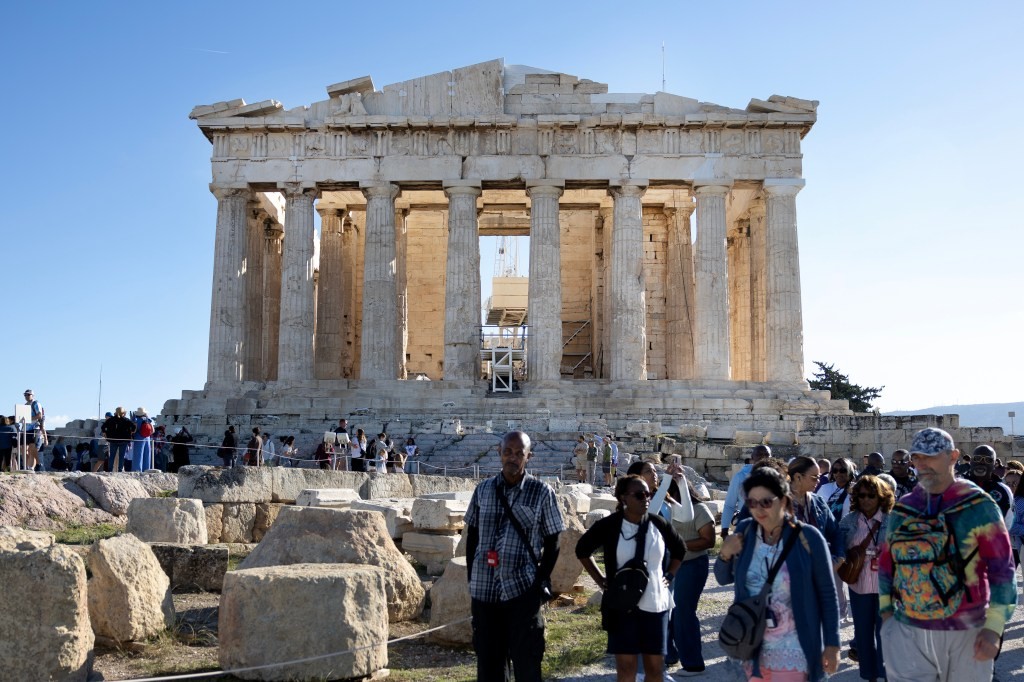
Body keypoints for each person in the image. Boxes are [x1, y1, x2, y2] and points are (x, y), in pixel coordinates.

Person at [878, 427, 1017, 682]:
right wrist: (887, 618)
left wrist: (994, 628)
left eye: (931, 456)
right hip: (909, 629)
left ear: (953, 457)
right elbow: (887, 564)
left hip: (965, 631)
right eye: (917, 457)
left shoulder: (979, 505)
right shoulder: (904, 508)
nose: (922, 464)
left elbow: (1003, 570)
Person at [716, 467, 841, 682]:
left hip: (794, 651)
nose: (758, 509)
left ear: (783, 501)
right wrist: (725, 554)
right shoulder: (745, 531)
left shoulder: (808, 538)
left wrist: (832, 644)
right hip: (751, 649)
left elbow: (828, 595)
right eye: (751, 503)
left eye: (766, 502)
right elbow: (722, 578)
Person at [464, 431, 564, 682]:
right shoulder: (483, 490)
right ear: (499, 452)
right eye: (508, 451)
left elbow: (554, 541)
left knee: (527, 666)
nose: (513, 457)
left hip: (522, 591)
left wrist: (540, 580)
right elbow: (472, 537)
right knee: (489, 667)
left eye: (520, 453)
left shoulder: (542, 492)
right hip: (484, 592)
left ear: (528, 457)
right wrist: (471, 577)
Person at [576, 474, 687, 682]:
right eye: (639, 495)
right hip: (621, 606)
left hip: (655, 605)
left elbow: (680, 549)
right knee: (626, 669)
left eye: (648, 494)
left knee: (655, 669)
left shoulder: (658, 523)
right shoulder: (609, 525)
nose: (646, 498)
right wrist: (601, 580)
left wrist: (669, 575)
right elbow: (582, 549)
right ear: (623, 498)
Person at [838, 475, 894, 682]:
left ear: (881, 497)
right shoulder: (849, 521)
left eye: (872, 495)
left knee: (886, 635)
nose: (866, 500)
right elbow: (838, 548)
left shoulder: (893, 520)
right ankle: (869, 676)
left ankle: (886, 675)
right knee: (863, 635)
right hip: (859, 585)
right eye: (861, 495)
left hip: (886, 587)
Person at [721, 444, 771, 538]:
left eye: (766, 455)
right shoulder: (740, 477)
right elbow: (729, 505)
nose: (763, 458)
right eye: (759, 455)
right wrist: (724, 530)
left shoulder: (777, 477)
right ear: (752, 458)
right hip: (747, 527)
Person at [968, 444, 1013, 518]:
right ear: (971, 461)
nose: (981, 462)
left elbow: (1008, 520)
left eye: (988, 460)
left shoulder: (1003, 490)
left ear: (994, 465)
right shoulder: (956, 486)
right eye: (977, 458)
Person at [102, 407, 134, 472]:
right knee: (121, 456)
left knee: (112, 456)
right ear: (123, 413)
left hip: (113, 440)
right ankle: (120, 470)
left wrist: (105, 434)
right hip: (123, 441)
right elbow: (133, 428)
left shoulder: (111, 420)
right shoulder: (126, 420)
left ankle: (110, 470)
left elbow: (103, 427)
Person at [131, 407, 155, 471]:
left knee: (138, 454)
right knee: (147, 454)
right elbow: (153, 430)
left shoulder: (136, 420)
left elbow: (134, 430)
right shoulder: (148, 420)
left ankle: (137, 470)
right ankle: (146, 469)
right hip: (147, 438)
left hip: (139, 437)